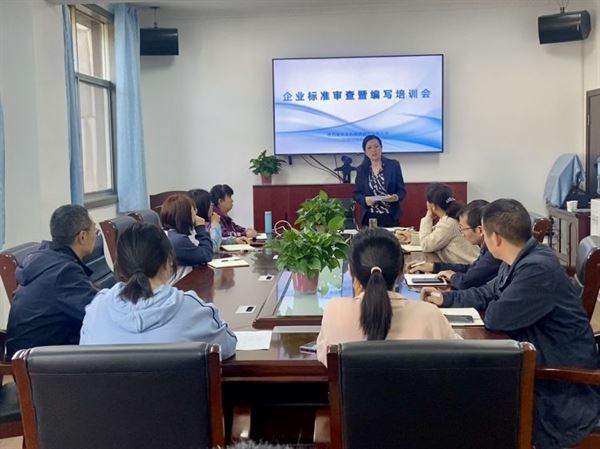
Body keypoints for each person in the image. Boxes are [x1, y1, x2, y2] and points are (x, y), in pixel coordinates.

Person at [420, 199, 600, 449]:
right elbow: (487, 292)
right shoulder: (519, 258)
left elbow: (496, 317)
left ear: (495, 237)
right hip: (539, 362)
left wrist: (496, 301)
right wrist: (446, 299)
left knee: (470, 401)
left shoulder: (537, 269)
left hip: (561, 389)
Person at [80, 223, 237, 358]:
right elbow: (228, 346)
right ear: (168, 261)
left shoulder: (97, 308)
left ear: (120, 265)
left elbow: (85, 360)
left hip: (111, 386)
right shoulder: (191, 308)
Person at [316, 228, 459, 366]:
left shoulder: (334, 311)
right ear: (402, 270)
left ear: (351, 272)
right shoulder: (429, 315)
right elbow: (460, 358)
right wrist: (421, 311)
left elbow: (324, 356)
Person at [6, 205, 99, 358]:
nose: (96, 236)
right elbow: (98, 311)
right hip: (40, 363)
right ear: (82, 236)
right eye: (95, 231)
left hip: (28, 356)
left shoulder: (43, 258)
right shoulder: (64, 272)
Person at [407, 199, 501, 289]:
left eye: (462, 228)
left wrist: (452, 277)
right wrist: (434, 267)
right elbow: (471, 269)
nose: (462, 234)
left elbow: (467, 282)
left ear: (479, 230)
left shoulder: (494, 254)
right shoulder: (486, 248)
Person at [399, 183, 479, 264]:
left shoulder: (449, 222)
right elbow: (436, 238)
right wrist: (411, 237)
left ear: (433, 206)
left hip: (468, 267)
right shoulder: (451, 216)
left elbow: (426, 245)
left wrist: (428, 217)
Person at [353, 135, 406, 228]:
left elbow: (401, 191)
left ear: (381, 148)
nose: (374, 150)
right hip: (370, 216)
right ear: (365, 152)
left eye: (376, 146)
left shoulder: (393, 165)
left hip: (390, 216)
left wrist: (395, 197)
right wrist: (365, 200)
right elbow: (357, 194)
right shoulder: (361, 170)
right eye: (369, 148)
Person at [160, 193, 213, 266]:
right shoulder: (179, 240)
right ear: (186, 214)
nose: (196, 213)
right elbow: (206, 255)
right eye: (194, 210)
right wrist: (200, 228)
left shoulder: (166, 234)